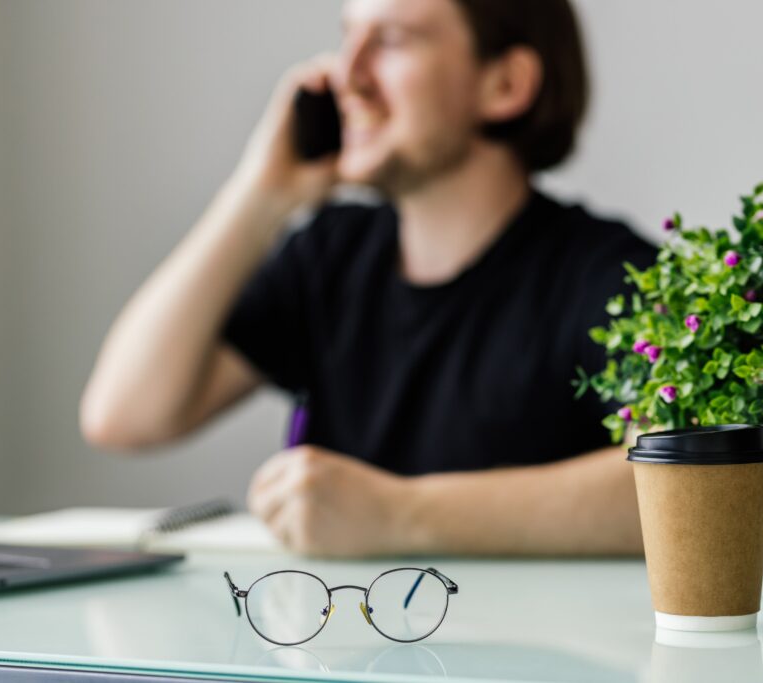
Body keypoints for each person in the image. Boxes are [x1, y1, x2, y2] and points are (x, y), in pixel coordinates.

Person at [80, 0, 656, 558]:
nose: (345, 77)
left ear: (504, 84)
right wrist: (260, 195)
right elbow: (126, 415)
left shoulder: (610, 276)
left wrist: (399, 514)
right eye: (347, 37)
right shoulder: (330, 257)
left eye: (392, 40)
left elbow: (687, 480)